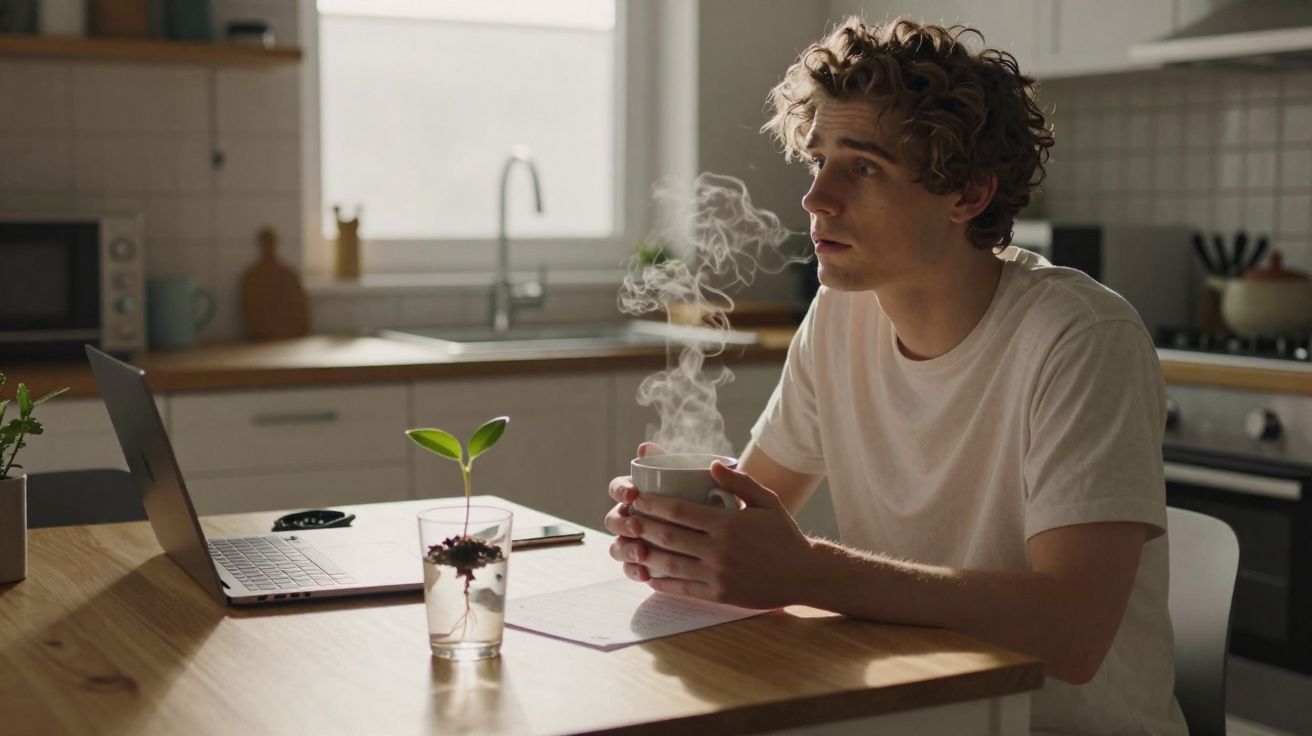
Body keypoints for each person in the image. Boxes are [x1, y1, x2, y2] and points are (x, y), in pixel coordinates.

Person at [603, 16, 1188, 736]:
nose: (817, 199)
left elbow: (1074, 632)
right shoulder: (839, 317)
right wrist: (681, 537)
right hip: (918, 711)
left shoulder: (1079, 338)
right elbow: (751, 515)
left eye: (865, 166)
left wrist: (808, 571)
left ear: (967, 194)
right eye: (817, 161)